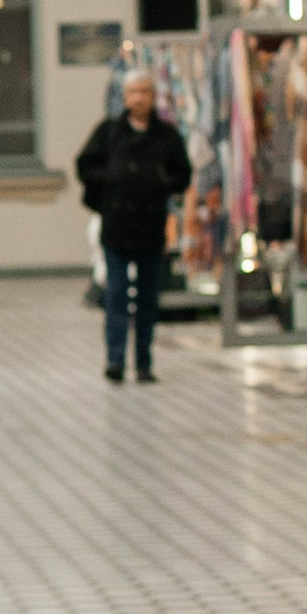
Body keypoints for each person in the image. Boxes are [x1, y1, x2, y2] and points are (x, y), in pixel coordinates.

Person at [77, 64, 192, 385]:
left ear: (153, 96)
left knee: (146, 299)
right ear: (124, 96)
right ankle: (115, 360)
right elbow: (85, 165)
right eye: (132, 92)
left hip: (150, 226)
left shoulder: (166, 136)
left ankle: (143, 361)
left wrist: (160, 182)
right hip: (116, 226)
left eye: (144, 91)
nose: (138, 98)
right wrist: (110, 184)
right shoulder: (109, 132)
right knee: (115, 295)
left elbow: (182, 174)